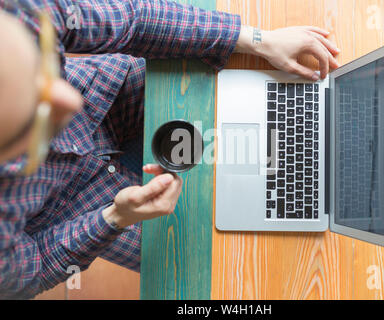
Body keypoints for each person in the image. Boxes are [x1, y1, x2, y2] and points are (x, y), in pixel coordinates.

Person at [0, 0, 340, 299]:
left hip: (111, 97)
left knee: (253, 94)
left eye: (45, 70)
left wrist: (258, 40)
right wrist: (114, 218)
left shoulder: (19, 12)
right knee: (218, 264)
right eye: (37, 116)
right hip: (89, 209)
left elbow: (134, 21)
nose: (70, 99)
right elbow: (32, 271)